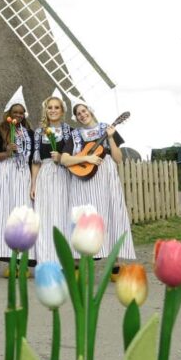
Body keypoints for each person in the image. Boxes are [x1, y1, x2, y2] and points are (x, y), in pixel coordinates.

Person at [61, 102, 136, 273]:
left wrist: (110, 137)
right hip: (82, 180)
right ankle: (77, 263)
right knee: (82, 215)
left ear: (90, 111)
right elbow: (65, 160)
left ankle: (114, 262)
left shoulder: (107, 128)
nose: (82, 115)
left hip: (106, 176)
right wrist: (86, 159)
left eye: (84, 111)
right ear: (76, 117)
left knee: (108, 212)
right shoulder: (75, 135)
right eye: (78, 113)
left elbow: (118, 159)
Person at [0, 86, 35, 274]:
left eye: (21, 112)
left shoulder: (30, 133)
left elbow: (33, 159)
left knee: (23, 216)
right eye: (15, 112)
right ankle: (10, 263)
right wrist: (5, 153)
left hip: (23, 175)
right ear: (9, 113)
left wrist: (33, 180)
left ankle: (24, 261)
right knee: (6, 215)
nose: (18, 115)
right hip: (5, 175)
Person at [30, 89, 73, 263]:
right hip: (45, 175)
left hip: (64, 175)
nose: (53, 110)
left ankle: (63, 259)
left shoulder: (70, 131)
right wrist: (33, 184)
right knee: (44, 215)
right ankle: (45, 259)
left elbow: (75, 156)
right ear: (45, 110)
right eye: (50, 107)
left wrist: (62, 158)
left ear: (62, 111)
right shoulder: (39, 132)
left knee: (62, 214)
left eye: (56, 107)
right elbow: (36, 161)